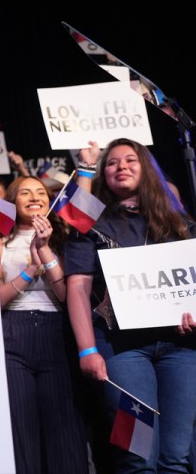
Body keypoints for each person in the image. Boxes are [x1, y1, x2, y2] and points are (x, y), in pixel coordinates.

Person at [64, 138, 196, 473]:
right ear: (103, 173)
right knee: (136, 457)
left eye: (130, 160)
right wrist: (86, 350)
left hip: (181, 350)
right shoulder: (89, 226)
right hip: (119, 353)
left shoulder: (181, 225)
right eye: (112, 162)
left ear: (148, 169)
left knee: (176, 457)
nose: (121, 166)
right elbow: (78, 287)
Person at [0, 175, 88, 473]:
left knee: (64, 429)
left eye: (40, 192)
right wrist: (29, 270)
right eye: (25, 192)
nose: (34, 197)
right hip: (11, 335)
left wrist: (45, 251)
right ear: (12, 202)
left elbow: (68, 295)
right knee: (21, 429)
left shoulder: (64, 239)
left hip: (56, 335)